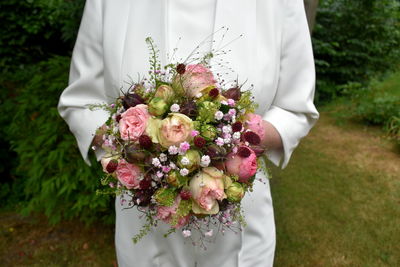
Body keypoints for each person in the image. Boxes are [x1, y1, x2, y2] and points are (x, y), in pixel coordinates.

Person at [58, 0, 319, 266]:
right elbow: (81, 104)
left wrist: (223, 140)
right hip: (144, 232)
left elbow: (294, 109)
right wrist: (147, 145)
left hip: (243, 233)